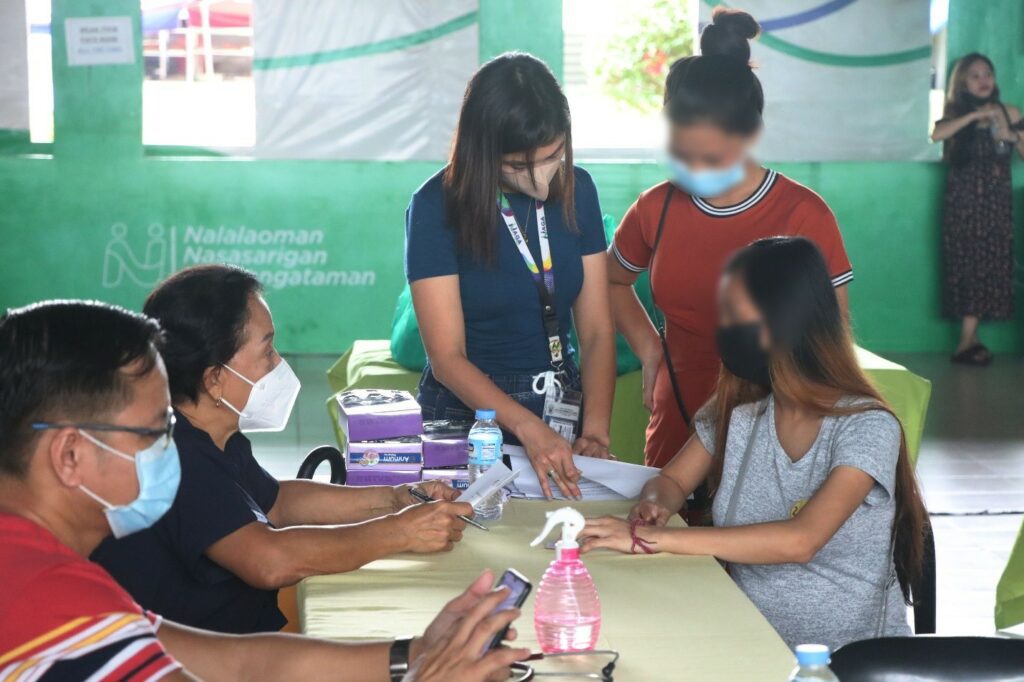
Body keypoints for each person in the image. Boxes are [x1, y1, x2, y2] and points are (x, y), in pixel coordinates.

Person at [0, 300, 528, 681]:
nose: (171, 444)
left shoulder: (59, 579)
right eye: (154, 431)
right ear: (69, 456)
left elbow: (242, 663)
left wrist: (415, 654)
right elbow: (266, 566)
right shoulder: (47, 603)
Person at [584, 237, 927, 651]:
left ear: (784, 319)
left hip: (846, 662)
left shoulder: (866, 425)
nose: (722, 329)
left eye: (733, 315)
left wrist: (647, 539)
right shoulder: (741, 409)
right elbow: (673, 480)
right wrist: (656, 503)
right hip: (749, 641)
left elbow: (801, 540)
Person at [92, 265, 472, 634]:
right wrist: (401, 533)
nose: (278, 364)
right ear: (215, 379)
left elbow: (277, 501)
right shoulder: (176, 457)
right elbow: (268, 560)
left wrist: (395, 500)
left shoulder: (213, 435)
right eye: (268, 350)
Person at [607, 8, 853, 472]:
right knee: (666, 531)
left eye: (710, 155)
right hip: (676, 418)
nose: (694, 168)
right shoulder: (655, 207)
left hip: (773, 426)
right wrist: (649, 349)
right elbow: (611, 280)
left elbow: (829, 337)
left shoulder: (803, 215)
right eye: (682, 152)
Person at [406, 52, 617, 500]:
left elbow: (597, 330)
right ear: (482, 152)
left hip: (560, 398)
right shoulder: (435, 206)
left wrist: (595, 431)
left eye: (553, 156)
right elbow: (447, 358)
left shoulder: (579, 189)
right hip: (470, 416)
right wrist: (526, 427)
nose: (541, 177)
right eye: (519, 167)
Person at [931, 52, 1023, 366]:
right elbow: (937, 134)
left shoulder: (1010, 111)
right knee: (965, 264)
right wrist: (973, 118)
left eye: (988, 73)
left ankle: (969, 340)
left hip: (995, 203)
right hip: (964, 202)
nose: (984, 80)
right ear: (963, 82)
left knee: (991, 265)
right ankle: (967, 341)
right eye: (975, 75)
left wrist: (1010, 134)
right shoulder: (955, 113)